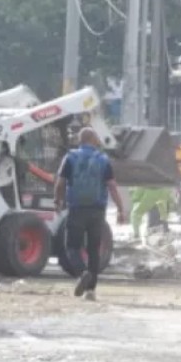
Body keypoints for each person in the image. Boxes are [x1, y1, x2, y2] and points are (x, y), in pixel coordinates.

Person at [54, 127, 127, 300]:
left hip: (77, 209)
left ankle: (82, 273)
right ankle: (91, 291)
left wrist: (58, 201)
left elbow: (60, 183)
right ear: (94, 140)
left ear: (80, 140)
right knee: (94, 250)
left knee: (72, 247)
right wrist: (120, 209)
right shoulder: (103, 159)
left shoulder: (70, 157)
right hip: (97, 211)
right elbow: (112, 186)